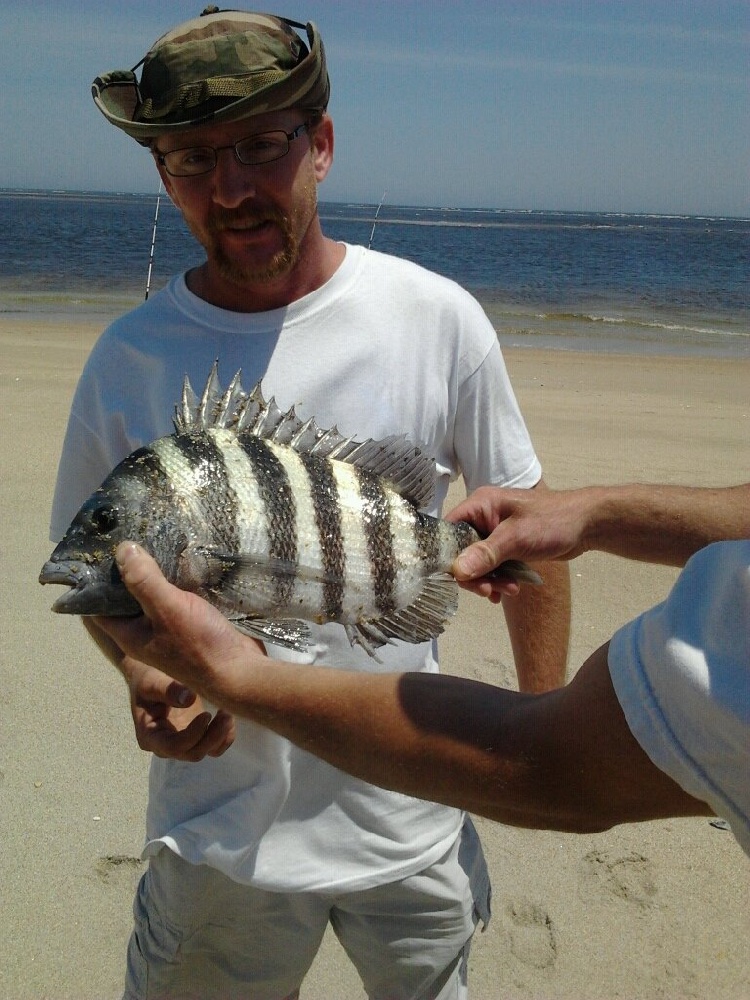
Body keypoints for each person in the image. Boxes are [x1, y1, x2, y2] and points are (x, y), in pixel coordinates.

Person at [51, 9, 570, 999]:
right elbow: (99, 573)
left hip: (412, 812)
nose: (232, 186)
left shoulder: (435, 317)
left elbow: (525, 528)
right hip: (219, 837)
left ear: (320, 144)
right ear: (162, 176)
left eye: (260, 143)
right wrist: (140, 672)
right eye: (193, 158)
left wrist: (540, 734)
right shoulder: (129, 358)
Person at [94, 483, 750, 860]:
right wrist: (599, 516)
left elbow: (552, 765)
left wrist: (235, 676)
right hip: (223, 843)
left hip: (412, 838)